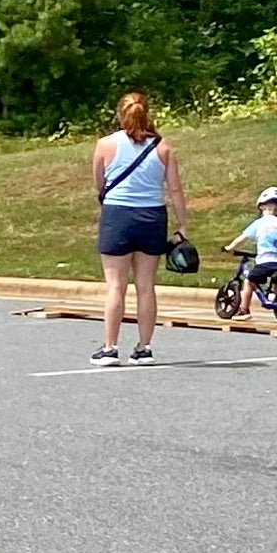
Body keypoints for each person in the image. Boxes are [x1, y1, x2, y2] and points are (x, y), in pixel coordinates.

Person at [90, 91, 180, 364]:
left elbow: (99, 182)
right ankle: (144, 347)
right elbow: (174, 189)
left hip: (117, 215)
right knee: (145, 286)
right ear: (147, 114)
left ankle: (110, 347)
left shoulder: (105, 144)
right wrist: (183, 225)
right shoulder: (162, 147)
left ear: (121, 114)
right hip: (152, 216)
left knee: (116, 286)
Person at [227, 186, 277, 308]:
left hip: (265, 261)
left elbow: (243, 237)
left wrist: (230, 247)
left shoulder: (259, 222)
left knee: (249, 282)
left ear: (261, 207)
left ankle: (244, 310)